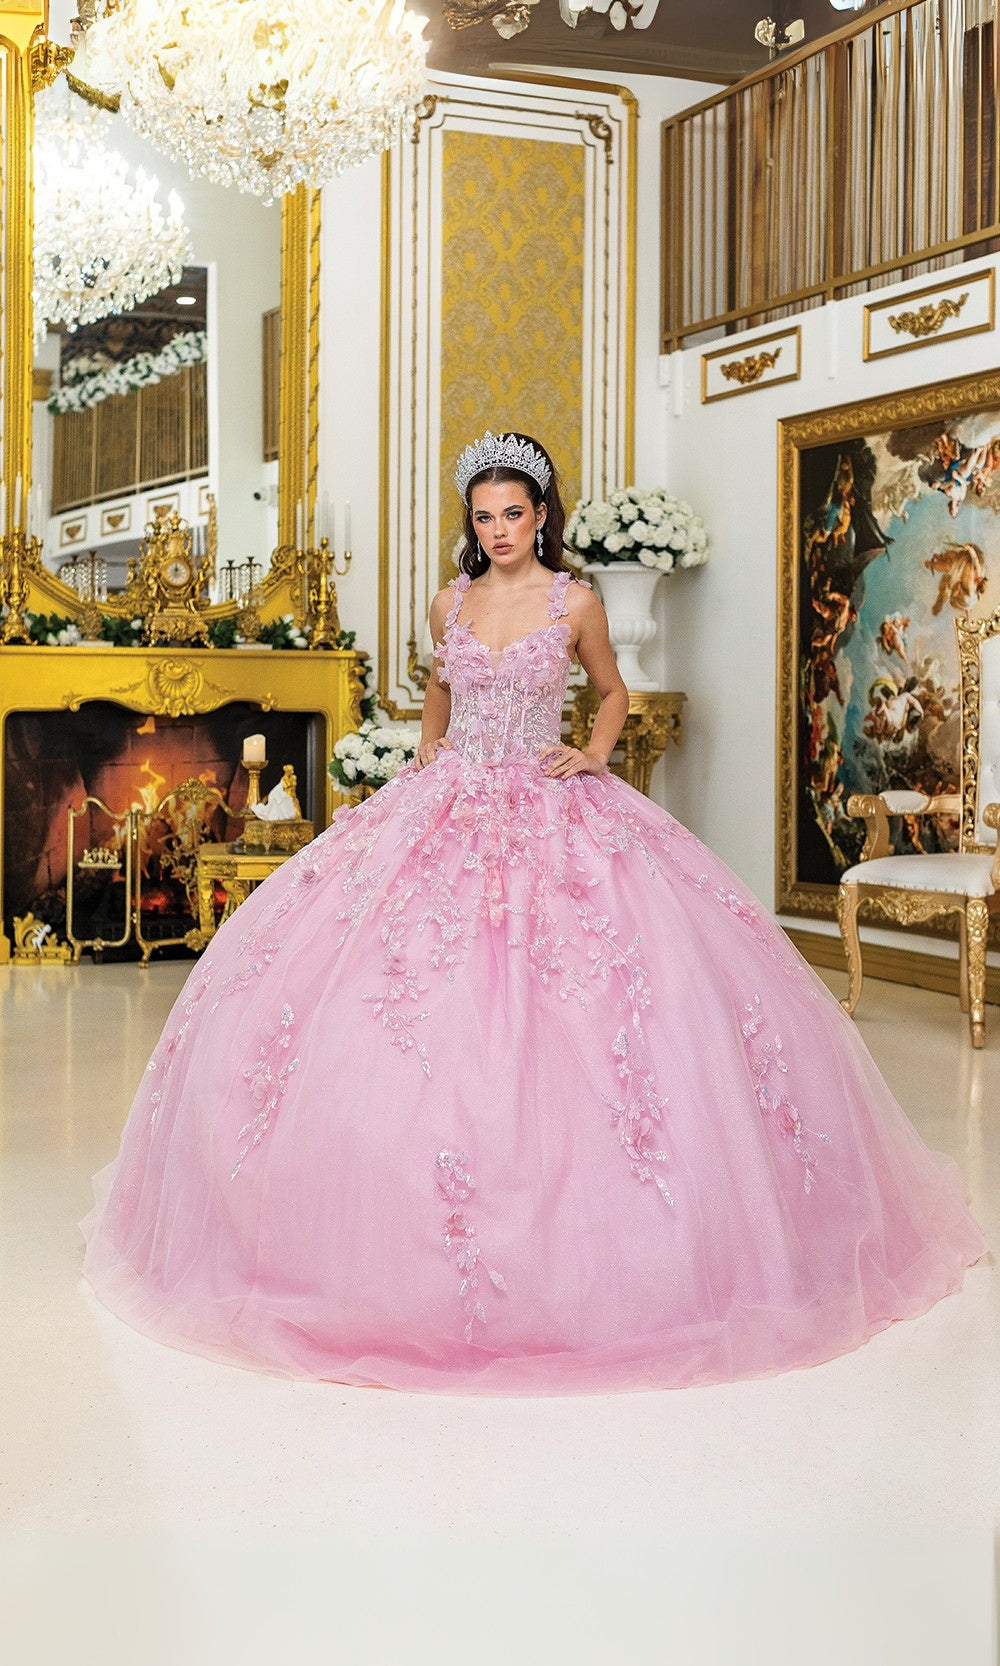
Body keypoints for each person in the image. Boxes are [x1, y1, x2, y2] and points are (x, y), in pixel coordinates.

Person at [81, 432, 984, 1394]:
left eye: (515, 514)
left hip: (551, 798)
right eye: (484, 516)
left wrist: (592, 756)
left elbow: (612, 691)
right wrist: (428, 751)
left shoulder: (576, 600)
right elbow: (437, 685)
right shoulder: (451, 600)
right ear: (470, 523)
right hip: (449, 795)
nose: (500, 530)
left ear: (542, 515)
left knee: (603, 1006)